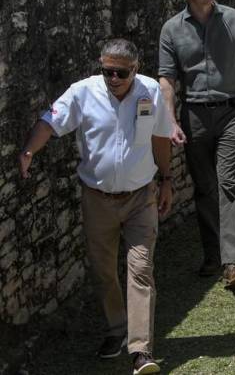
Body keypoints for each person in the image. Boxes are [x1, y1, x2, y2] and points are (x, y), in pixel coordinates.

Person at [18, 39, 173, 375]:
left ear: (135, 68)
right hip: (97, 199)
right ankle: (116, 329)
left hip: (140, 197)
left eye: (120, 72)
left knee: (141, 270)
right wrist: (29, 151)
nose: (113, 78)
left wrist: (167, 179)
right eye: (107, 71)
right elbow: (49, 121)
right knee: (104, 272)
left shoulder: (150, 92)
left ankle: (141, 351)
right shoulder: (83, 92)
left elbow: (160, 136)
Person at [158, 0, 235, 288]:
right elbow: (167, 79)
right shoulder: (171, 30)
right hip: (194, 115)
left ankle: (231, 263)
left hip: (231, 111)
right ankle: (212, 257)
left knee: (229, 182)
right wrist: (170, 119)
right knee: (204, 188)